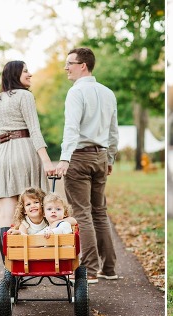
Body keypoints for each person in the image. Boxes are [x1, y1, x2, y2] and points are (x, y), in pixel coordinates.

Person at [54, 47, 119, 283]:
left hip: (80, 157)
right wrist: (110, 157)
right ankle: (109, 268)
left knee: (82, 213)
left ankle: (90, 270)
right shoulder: (107, 93)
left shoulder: (76, 92)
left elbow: (71, 128)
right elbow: (113, 131)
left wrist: (64, 158)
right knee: (99, 212)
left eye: (69, 63)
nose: (66, 68)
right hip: (101, 156)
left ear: (83, 65)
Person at [0, 60, 55, 263]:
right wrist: (46, 161)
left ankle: (11, 267)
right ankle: (34, 261)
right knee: (33, 207)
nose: (30, 74)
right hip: (24, 151)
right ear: (15, 74)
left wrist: (3, 156)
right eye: (25, 71)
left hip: (2, 156)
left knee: (6, 215)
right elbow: (34, 130)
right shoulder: (25, 96)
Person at [12, 188, 77, 236]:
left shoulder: (49, 218)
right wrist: (19, 233)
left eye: (36, 202)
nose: (32, 206)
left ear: (43, 205)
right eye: (28, 204)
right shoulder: (25, 224)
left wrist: (57, 222)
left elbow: (73, 220)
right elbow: (23, 240)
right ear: (24, 210)